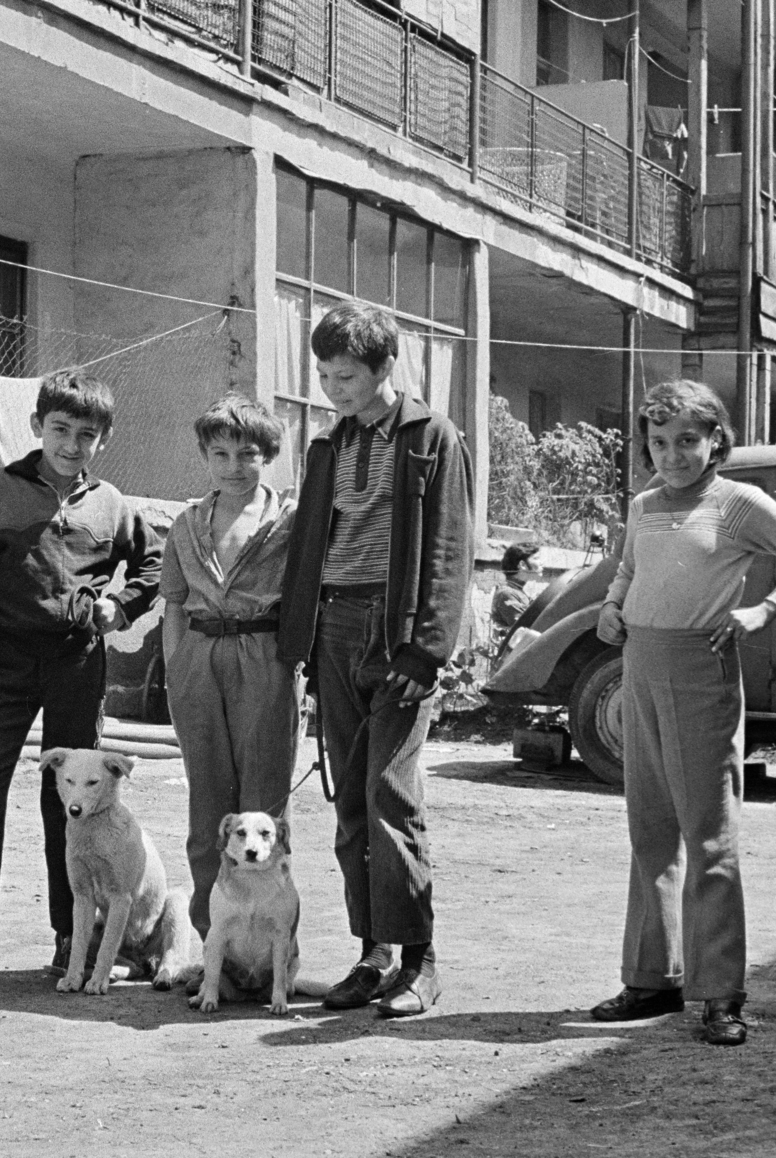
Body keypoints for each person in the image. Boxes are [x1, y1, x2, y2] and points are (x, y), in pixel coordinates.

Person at [591, 380, 776, 1046]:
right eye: (661, 441)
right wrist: (613, 609)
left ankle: (721, 994)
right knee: (649, 830)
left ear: (715, 441)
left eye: (688, 442)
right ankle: (651, 978)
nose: (673, 456)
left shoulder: (736, 504)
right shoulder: (642, 507)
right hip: (640, 669)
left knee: (710, 838)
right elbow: (628, 572)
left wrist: (764, 609)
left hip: (701, 675)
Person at [0, 368, 162, 997]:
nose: (72, 445)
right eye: (60, 430)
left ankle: (67, 940)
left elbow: (153, 563)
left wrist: (121, 607)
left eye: (86, 435)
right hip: (1, 666)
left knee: (72, 803)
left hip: (77, 664)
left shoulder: (109, 503)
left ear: (102, 441)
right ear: (36, 427)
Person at [277, 301, 473, 1019]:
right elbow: (310, 545)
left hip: (397, 641)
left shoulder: (431, 437)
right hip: (334, 629)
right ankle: (373, 954)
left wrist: (427, 652)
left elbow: (450, 547)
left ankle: (420, 962)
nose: (336, 388)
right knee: (351, 803)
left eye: (349, 375)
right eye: (326, 375)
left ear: (385, 367)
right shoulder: (328, 446)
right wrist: (299, 640)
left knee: (393, 795)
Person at [160, 394, 302, 939]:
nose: (233, 466)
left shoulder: (287, 519)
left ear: (268, 455)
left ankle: (268, 944)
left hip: (263, 655)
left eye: (247, 454)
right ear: (204, 456)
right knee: (207, 807)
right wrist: (178, 671)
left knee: (263, 805)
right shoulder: (187, 522)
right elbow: (173, 602)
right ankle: (210, 939)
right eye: (219, 454)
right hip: (199, 655)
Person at [490, 541, 541, 635]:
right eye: (536, 558)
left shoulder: (516, 590)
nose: (541, 563)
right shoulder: (506, 593)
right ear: (522, 565)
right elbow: (529, 627)